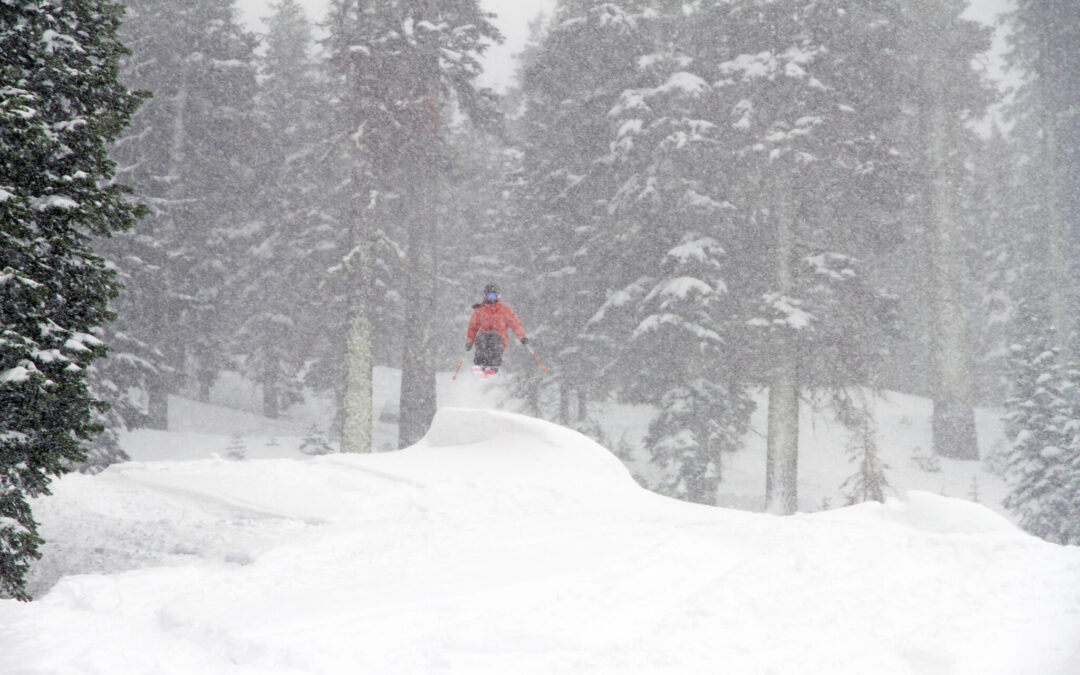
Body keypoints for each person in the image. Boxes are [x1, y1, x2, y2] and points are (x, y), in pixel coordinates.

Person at [465, 283, 527, 377]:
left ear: (498, 296)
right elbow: (473, 327)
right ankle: (480, 364)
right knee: (482, 339)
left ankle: (493, 366)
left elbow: (516, 324)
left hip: (500, 337)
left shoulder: (505, 310)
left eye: (493, 296)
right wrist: (470, 342)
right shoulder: (480, 310)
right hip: (484, 335)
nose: (491, 298)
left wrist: (522, 337)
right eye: (489, 296)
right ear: (485, 296)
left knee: (495, 339)